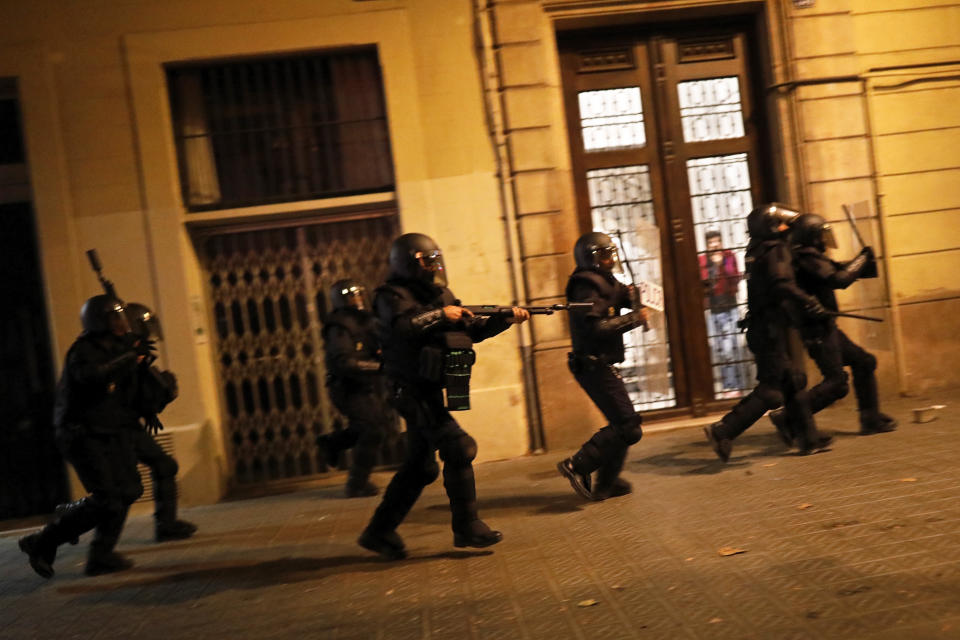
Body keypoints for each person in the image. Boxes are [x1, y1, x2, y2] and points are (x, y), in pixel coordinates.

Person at [357, 232, 530, 560]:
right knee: (460, 447)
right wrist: (441, 315)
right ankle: (467, 527)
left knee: (421, 468)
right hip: (408, 389)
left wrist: (503, 319)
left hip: (429, 386)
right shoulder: (390, 296)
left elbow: (468, 329)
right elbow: (403, 328)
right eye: (427, 262)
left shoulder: (440, 293)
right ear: (408, 263)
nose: (434, 268)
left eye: (436, 261)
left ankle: (378, 532)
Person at [19, 295, 149, 578]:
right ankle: (42, 543)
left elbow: (130, 390)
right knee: (107, 498)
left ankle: (100, 555)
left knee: (129, 490)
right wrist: (129, 359)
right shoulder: (84, 351)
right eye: (114, 318)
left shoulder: (118, 347)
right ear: (98, 321)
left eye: (121, 318)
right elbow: (93, 377)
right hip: (80, 434)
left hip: (109, 430)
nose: (120, 323)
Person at [703, 204, 832, 461]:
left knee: (793, 381)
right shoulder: (775, 251)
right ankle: (724, 430)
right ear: (771, 227)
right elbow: (780, 283)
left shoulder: (757, 249)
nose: (787, 230)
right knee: (772, 390)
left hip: (763, 327)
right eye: (782, 225)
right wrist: (808, 301)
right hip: (769, 328)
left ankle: (807, 437)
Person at [768, 214, 896, 437]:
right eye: (821, 235)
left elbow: (837, 269)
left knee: (864, 362)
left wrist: (862, 262)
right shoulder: (806, 257)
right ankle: (787, 416)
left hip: (826, 328)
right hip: (818, 331)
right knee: (836, 383)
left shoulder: (809, 256)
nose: (824, 240)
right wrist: (863, 259)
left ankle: (870, 419)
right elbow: (839, 279)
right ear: (811, 236)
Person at [556, 231, 649, 501]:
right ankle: (577, 465)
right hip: (592, 364)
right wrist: (634, 318)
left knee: (621, 424)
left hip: (603, 363)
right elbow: (596, 328)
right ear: (591, 258)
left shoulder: (605, 280)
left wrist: (637, 294)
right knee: (628, 425)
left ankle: (606, 482)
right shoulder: (584, 286)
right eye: (605, 255)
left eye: (611, 254)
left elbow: (620, 296)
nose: (610, 260)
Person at [123, 302, 198, 542]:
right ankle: (91, 548)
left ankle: (166, 525)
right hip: (115, 428)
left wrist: (152, 404)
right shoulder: (123, 352)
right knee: (119, 491)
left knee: (164, 465)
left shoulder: (136, 352)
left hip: (128, 424)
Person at [316, 279, 392, 498]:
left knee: (378, 426)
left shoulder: (367, 321)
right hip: (345, 387)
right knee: (371, 429)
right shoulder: (339, 325)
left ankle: (331, 443)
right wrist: (380, 366)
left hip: (362, 385)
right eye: (352, 297)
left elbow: (376, 345)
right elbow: (344, 362)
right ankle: (356, 483)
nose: (357, 300)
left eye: (359, 295)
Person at [699, 229, 743, 395]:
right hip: (714, 309)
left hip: (730, 306)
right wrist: (714, 269)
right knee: (720, 348)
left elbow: (734, 277)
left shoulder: (729, 256)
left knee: (730, 348)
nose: (715, 245)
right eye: (711, 242)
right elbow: (703, 284)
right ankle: (730, 385)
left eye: (717, 241)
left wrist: (721, 264)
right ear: (707, 245)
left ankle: (733, 386)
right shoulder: (702, 260)